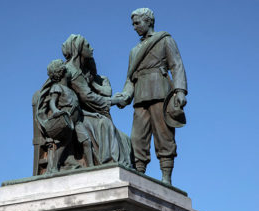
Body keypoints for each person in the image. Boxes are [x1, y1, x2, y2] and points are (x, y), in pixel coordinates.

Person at [115, 8, 188, 185]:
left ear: (149, 21)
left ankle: (166, 178)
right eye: (133, 24)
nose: (134, 27)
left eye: (137, 23)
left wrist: (180, 91)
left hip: (160, 92)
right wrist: (124, 96)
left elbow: (176, 65)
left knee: (164, 136)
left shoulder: (165, 40)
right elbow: (130, 79)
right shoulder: (134, 51)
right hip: (140, 97)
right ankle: (139, 173)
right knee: (137, 138)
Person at [62, 34, 133, 167]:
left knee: (125, 139)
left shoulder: (82, 71)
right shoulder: (72, 71)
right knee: (104, 123)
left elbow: (100, 92)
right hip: (74, 117)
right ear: (78, 49)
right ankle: (107, 161)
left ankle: (120, 165)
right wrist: (113, 101)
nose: (92, 48)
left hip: (83, 113)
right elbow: (87, 96)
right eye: (87, 46)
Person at [36, 59, 93, 173]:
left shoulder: (71, 91)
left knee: (86, 141)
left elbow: (78, 109)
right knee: (63, 145)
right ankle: (53, 168)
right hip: (66, 121)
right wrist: (56, 110)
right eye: (67, 70)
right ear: (62, 73)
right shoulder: (57, 87)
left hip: (76, 122)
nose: (69, 71)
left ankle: (91, 166)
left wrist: (93, 114)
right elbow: (52, 102)